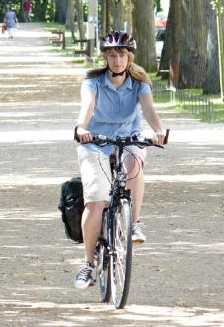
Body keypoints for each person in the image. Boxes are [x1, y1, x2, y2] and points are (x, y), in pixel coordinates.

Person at [73, 31, 167, 289]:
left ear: (129, 58)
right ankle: (88, 265)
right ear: (105, 57)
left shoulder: (139, 81)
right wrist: (81, 127)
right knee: (96, 201)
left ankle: (134, 223)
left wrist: (157, 131)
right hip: (96, 140)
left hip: (129, 137)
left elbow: (148, 108)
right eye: (112, 55)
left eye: (121, 55)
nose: (116, 60)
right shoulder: (93, 80)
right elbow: (88, 105)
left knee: (134, 164)